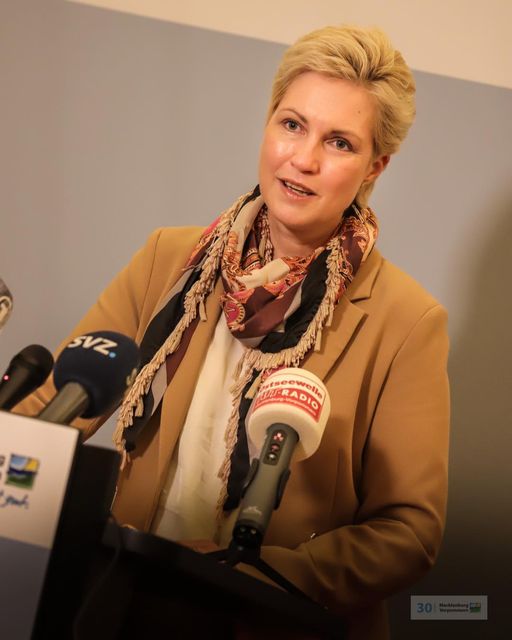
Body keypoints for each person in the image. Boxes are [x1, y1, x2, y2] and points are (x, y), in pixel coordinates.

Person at [16, 25, 449, 639]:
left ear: (375, 166)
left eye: (339, 142)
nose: (303, 159)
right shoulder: (169, 259)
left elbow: (408, 531)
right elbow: (56, 405)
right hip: (122, 602)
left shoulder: (407, 321)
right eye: (292, 124)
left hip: (267, 622)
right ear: (268, 123)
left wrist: (253, 572)